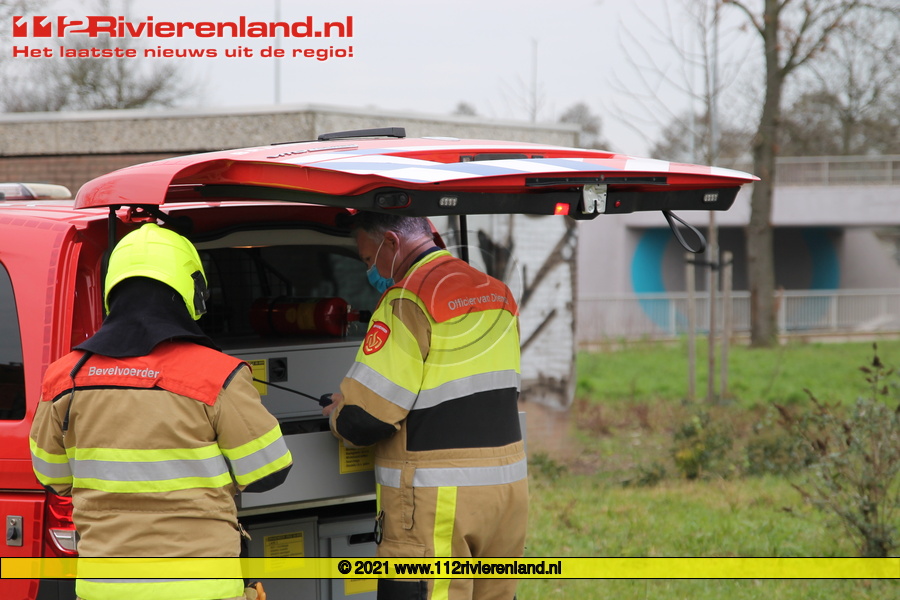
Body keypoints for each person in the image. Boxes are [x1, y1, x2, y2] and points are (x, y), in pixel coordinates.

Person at [30, 223, 291, 600]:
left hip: (105, 588)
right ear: (192, 290)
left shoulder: (64, 378)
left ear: (113, 289)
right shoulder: (217, 375)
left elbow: (52, 476)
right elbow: (269, 470)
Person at [323, 213, 528, 600]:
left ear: (391, 243)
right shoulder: (498, 293)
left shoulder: (407, 299)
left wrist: (339, 410)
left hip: (438, 501)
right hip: (507, 490)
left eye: (368, 259)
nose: (370, 271)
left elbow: (365, 418)